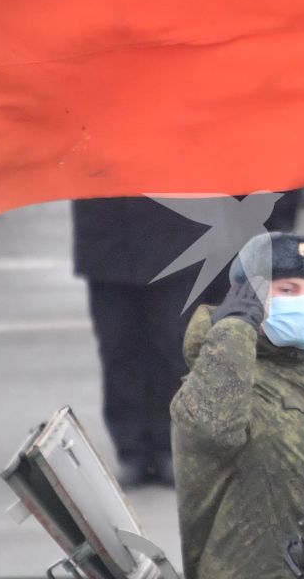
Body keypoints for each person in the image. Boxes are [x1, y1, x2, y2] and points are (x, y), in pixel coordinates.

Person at [170, 232, 304, 579]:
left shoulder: (291, 373)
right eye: (286, 288)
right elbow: (214, 431)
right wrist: (235, 329)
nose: (302, 302)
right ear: (249, 297)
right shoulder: (224, 372)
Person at [71, 197, 209, 488]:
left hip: (175, 233)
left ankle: (171, 444)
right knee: (118, 347)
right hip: (106, 237)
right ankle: (131, 448)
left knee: (173, 347)